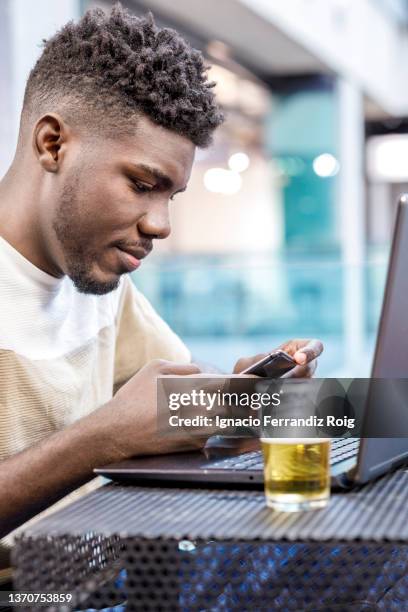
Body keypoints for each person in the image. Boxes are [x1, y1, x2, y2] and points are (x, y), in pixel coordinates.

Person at [0, 3, 322, 582]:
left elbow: (160, 423)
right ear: (52, 144)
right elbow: (118, 434)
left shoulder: (98, 281)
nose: (160, 225)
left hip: (109, 584)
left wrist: (240, 404)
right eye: (142, 185)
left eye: (169, 196)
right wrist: (100, 442)